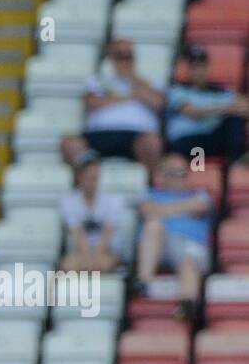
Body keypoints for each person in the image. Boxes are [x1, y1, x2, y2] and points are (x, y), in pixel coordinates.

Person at [61, 38, 163, 171]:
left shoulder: (151, 81)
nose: (124, 60)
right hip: (99, 134)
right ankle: (85, 184)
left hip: (137, 135)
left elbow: (158, 103)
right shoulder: (97, 80)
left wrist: (131, 79)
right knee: (69, 143)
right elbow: (91, 102)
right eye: (120, 55)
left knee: (153, 142)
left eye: (128, 56)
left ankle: (150, 185)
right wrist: (131, 96)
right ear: (111, 58)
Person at [136, 153, 214, 318]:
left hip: (189, 244)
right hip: (160, 243)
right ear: (162, 175)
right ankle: (143, 282)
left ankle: (187, 306)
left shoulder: (199, 194)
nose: (179, 178)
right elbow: (147, 211)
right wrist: (183, 208)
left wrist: (162, 210)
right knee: (153, 226)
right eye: (173, 173)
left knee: (189, 262)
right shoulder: (149, 193)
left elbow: (201, 206)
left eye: (182, 173)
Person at [166, 44, 249, 166]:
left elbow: (245, 107)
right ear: (188, 69)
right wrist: (226, 108)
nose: (198, 71)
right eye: (194, 67)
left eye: (201, 66)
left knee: (235, 121)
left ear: (207, 68)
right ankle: (199, 176)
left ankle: (236, 164)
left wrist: (233, 108)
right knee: (197, 152)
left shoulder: (220, 91)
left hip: (213, 138)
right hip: (188, 140)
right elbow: (192, 112)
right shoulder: (178, 90)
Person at [59, 149, 127, 273]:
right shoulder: (68, 201)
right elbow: (77, 233)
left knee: (101, 264)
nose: (92, 181)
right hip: (82, 251)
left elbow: (108, 232)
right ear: (79, 177)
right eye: (88, 177)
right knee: (68, 265)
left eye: (95, 177)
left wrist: (95, 258)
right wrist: (87, 259)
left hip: (108, 251)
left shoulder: (114, 200)